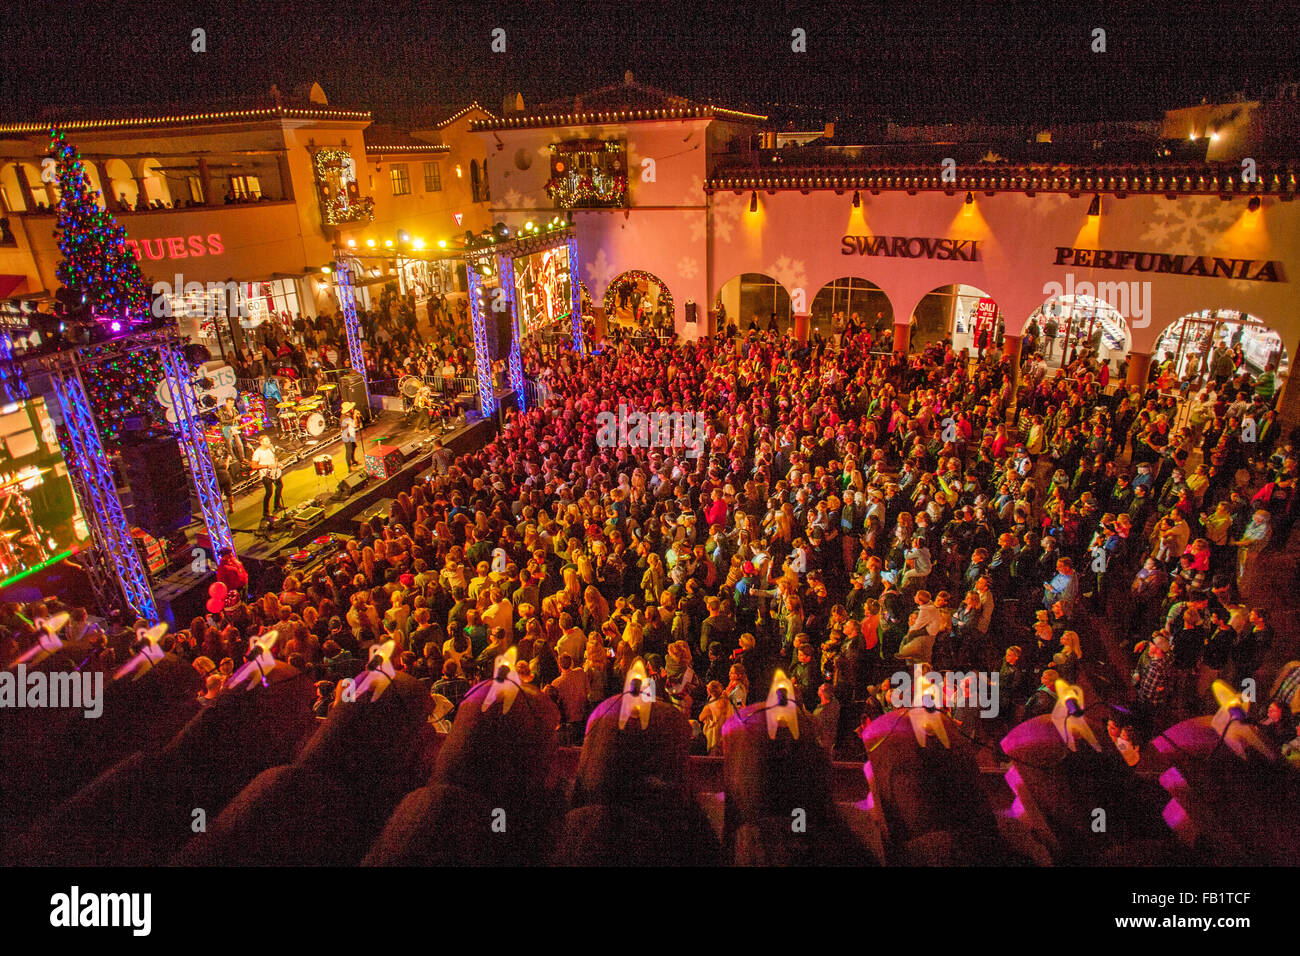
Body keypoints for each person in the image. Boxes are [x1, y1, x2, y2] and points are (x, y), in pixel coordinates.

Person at [250, 434, 283, 518]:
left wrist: (278, 464)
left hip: (274, 472)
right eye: (266, 441)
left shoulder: (270, 449)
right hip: (265, 475)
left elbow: (274, 458)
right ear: (261, 442)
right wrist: (267, 466)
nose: (269, 442)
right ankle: (266, 512)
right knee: (269, 492)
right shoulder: (258, 453)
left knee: (280, 486)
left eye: (269, 440)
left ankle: (277, 505)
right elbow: (253, 466)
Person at [340, 403, 361, 471]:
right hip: (347, 436)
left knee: (354, 447)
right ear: (348, 410)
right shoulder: (345, 418)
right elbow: (354, 424)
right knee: (349, 451)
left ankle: (353, 461)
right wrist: (355, 416)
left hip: (350, 435)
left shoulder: (348, 415)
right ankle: (349, 467)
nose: (353, 409)